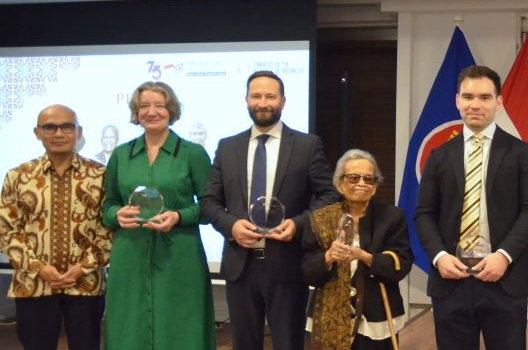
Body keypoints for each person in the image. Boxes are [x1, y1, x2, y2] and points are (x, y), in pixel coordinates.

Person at [201, 70, 341, 350]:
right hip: (241, 265)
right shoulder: (227, 147)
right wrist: (231, 226)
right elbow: (209, 203)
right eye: (256, 96)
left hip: (287, 264)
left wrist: (299, 224)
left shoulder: (306, 145)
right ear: (246, 100)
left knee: (289, 343)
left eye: (270, 96)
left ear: (283, 101)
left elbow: (329, 195)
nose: (262, 102)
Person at [415, 65, 528, 350]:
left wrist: (504, 255)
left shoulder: (522, 153)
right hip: (452, 278)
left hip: (504, 277)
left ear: (499, 102)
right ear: (457, 100)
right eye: (468, 96)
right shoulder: (438, 156)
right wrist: (438, 256)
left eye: (485, 97)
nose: (475, 104)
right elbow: (424, 214)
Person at [101, 81, 216, 349]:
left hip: (180, 258)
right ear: (136, 111)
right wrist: (117, 214)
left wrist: (179, 216)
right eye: (144, 106)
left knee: (181, 329)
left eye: (159, 105)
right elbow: (108, 206)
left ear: (171, 110)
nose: (151, 112)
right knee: (128, 329)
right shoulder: (120, 154)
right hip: (129, 256)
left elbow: (211, 207)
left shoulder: (193, 153)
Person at [0, 105, 110, 350]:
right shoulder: (18, 176)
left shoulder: (101, 175)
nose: (58, 133)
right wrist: (38, 267)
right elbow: (7, 230)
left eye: (66, 126)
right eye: (50, 127)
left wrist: (83, 267)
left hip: (85, 284)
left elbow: (109, 229)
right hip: (33, 284)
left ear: (78, 132)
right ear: (37, 132)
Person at [302, 149, 413, 349]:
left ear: (375, 186)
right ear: (339, 183)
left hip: (376, 316)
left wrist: (365, 256)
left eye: (369, 179)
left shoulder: (392, 217)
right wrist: (328, 257)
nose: (361, 183)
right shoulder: (319, 218)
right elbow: (308, 271)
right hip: (329, 317)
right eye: (353, 177)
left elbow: (402, 264)